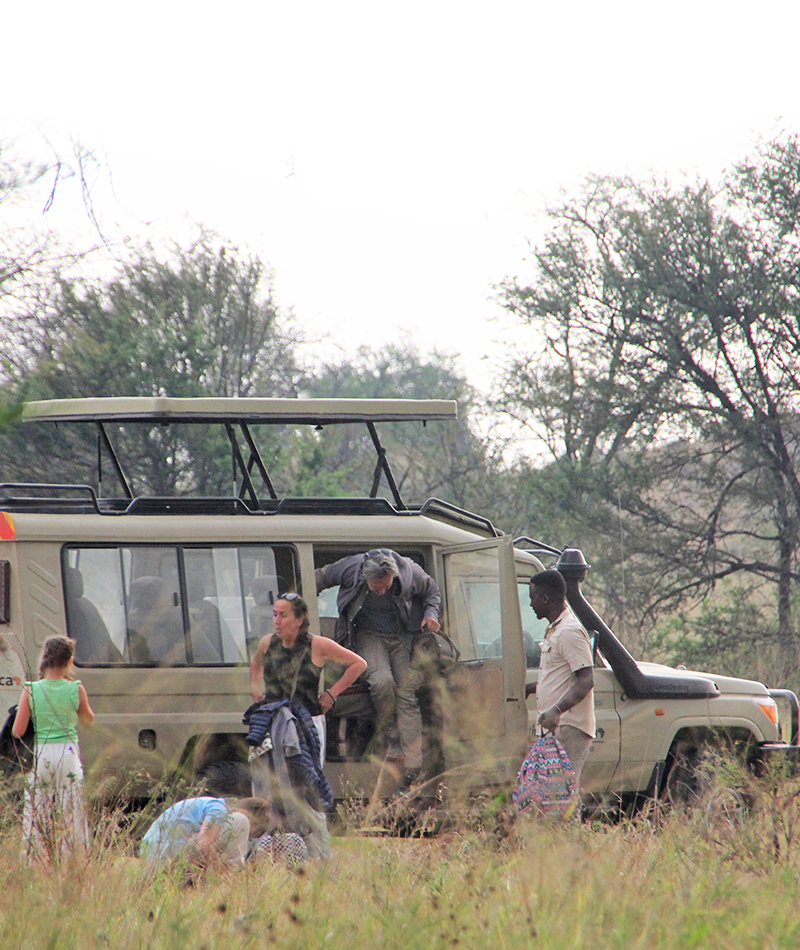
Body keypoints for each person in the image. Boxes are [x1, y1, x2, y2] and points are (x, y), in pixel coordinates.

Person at [248, 592, 366, 858]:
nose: (277, 621)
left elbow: (358, 664)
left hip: (307, 723)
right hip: (272, 720)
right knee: (267, 786)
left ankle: (317, 854)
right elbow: (255, 664)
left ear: (299, 620)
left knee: (307, 786)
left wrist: (332, 693)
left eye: (284, 615)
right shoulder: (268, 643)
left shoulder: (318, 646)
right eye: (274, 615)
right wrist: (255, 690)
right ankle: (268, 851)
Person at [315, 549, 442, 792]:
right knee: (382, 682)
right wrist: (302, 607)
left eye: (387, 586)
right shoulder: (351, 568)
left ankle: (414, 765)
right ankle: (391, 737)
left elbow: (432, 591)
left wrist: (430, 614)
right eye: (377, 587)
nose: (383, 591)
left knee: (407, 692)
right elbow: (320, 576)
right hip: (367, 635)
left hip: (402, 636)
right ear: (365, 577)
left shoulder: (408, 571)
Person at [12, 635, 95, 864]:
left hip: (42, 753)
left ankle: (33, 863)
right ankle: (74, 862)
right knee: (72, 813)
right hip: (68, 752)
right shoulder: (75, 688)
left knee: (36, 812)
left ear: (45, 659)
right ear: (69, 661)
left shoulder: (31, 689)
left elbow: (18, 731)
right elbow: (88, 721)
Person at [529, 569, 595, 791]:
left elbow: (586, 680)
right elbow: (561, 676)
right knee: (550, 795)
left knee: (563, 795)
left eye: (533, 598)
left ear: (545, 599)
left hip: (568, 726)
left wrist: (556, 709)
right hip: (557, 726)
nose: (531, 604)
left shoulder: (569, 631)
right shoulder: (555, 629)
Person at [140, 796, 270, 873]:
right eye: (248, 833)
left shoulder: (211, 804)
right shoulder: (219, 809)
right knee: (239, 821)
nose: (244, 838)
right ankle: (232, 880)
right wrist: (222, 870)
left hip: (155, 853)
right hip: (164, 854)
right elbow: (203, 845)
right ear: (244, 811)